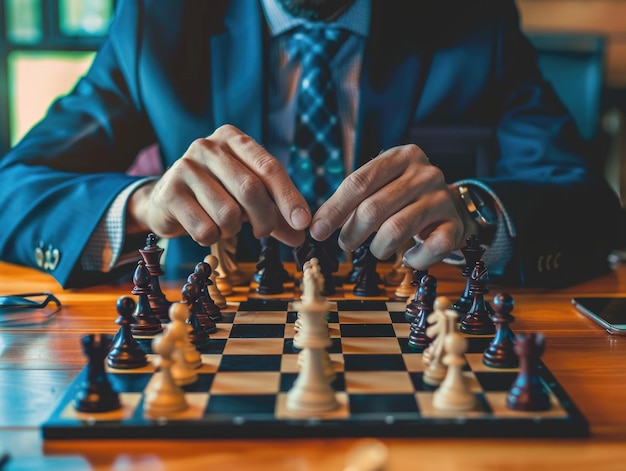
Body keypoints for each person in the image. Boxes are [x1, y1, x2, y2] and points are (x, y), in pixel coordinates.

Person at [0, 0, 622, 289]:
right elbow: (15, 184)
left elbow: (591, 209)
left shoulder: (472, 19)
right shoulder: (158, 21)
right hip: (204, 350)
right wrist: (143, 205)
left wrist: (473, 211)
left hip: (418, 342)